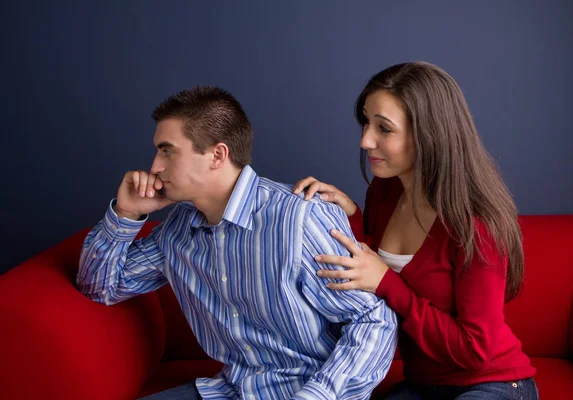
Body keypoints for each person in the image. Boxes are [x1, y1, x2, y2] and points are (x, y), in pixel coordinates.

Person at [76, 86, 398, 400]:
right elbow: (100, 287)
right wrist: (127, 213)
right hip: (228, 389)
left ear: (217, 155)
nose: (155, 167)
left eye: (167, 150)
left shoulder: (299, 218)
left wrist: (319, 395)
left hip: (307, 389)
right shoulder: (177, 230)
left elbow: (373, 321)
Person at [293, 61, 539, 399]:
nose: (366, 140)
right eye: (366, 122)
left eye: (384, 128)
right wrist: (348, 214)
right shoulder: (384, 192)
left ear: (428, 134)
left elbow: (474, 350)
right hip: (422, 384)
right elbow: (372, 269)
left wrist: (387, 284)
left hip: (492, 382)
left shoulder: (476, 224)